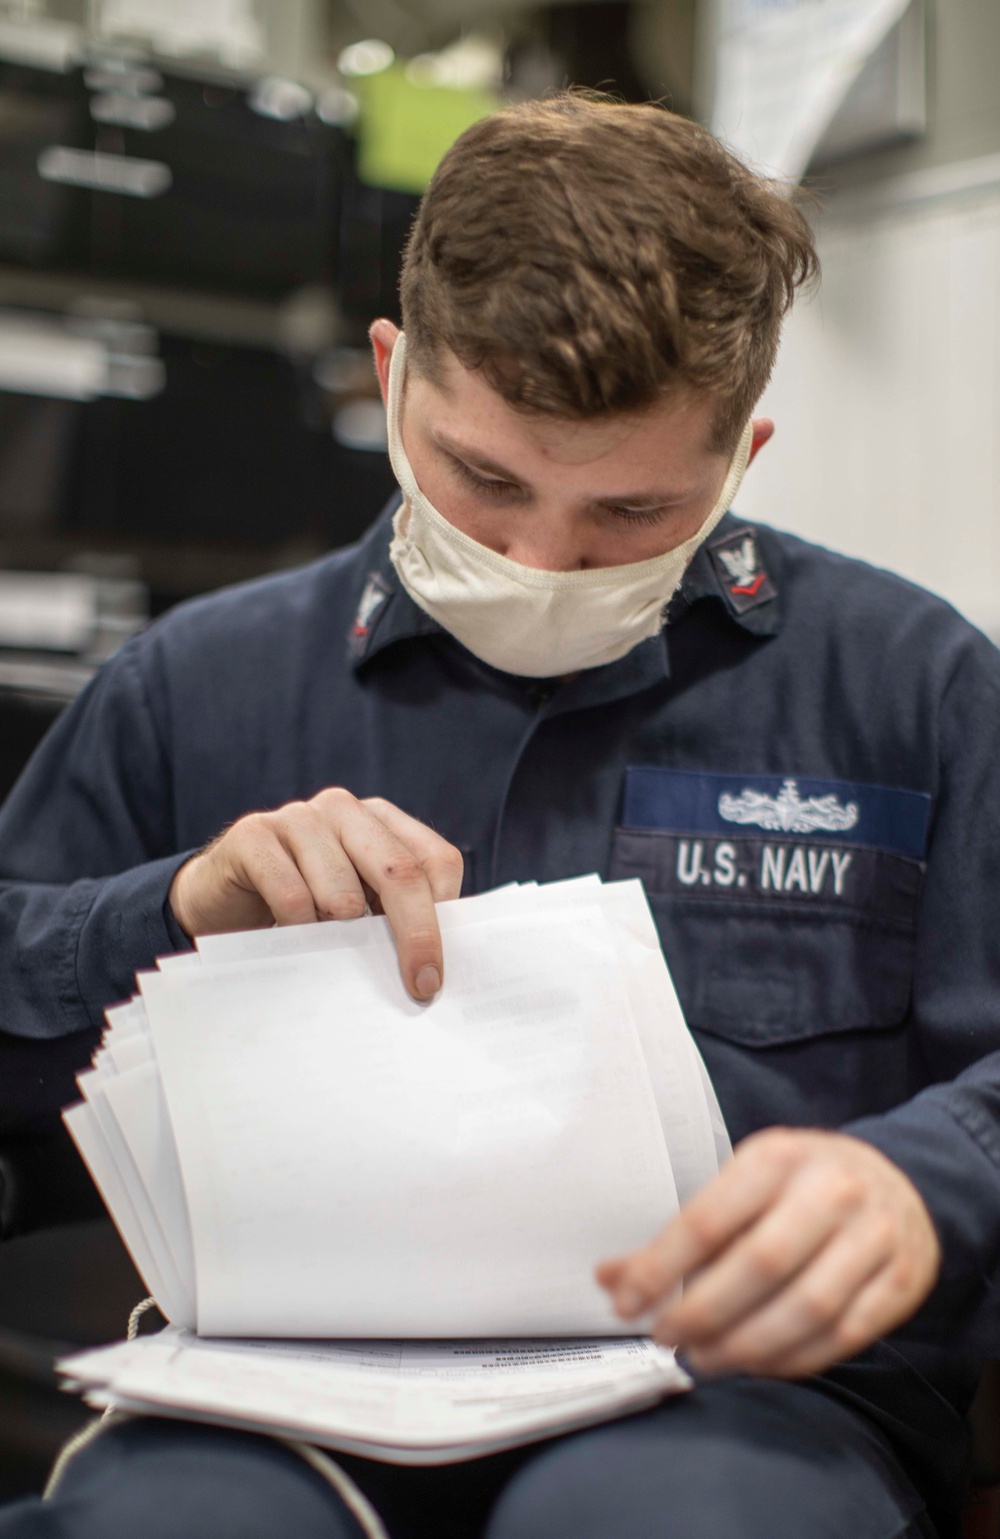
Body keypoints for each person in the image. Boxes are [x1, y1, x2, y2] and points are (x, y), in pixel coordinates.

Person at [0, 91, 995, 1539]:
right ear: (393, 375)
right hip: (269, 1402)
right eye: (484, 482)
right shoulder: (188, 690)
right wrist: (165, 916)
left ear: (744, 456)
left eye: (630, 516)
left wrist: (923, 1187)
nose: (543, 562)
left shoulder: (911, 689)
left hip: (741, 1403)